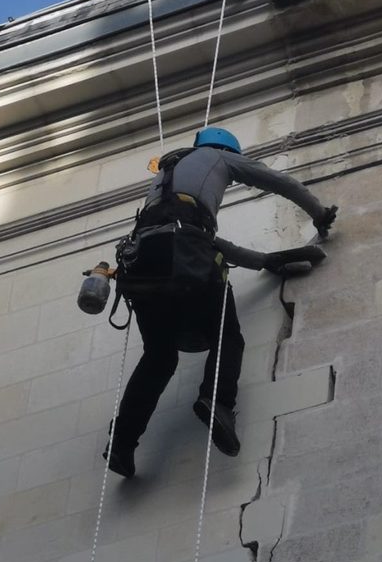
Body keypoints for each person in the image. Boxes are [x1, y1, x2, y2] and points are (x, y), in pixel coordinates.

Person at [104, 127, 337, 478]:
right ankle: (218, 401)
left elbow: (197, 240)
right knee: (228, 337)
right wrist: (318, 213)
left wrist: (265, 261)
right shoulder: (219, 157)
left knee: (159, 357)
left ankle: (121, 443)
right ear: (227, 151)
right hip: (183, 256)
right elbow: (278, 182)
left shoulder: (168, 177)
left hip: (142, 265)